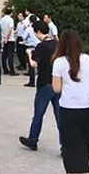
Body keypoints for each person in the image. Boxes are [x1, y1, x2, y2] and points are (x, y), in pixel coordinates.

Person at [52, 29, 89, 174]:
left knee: (71, 154)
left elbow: (56, 88)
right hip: (88, 108)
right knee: (84, 148)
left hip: (69, 109)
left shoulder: (59, 62)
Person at [19, 21, 60, 151]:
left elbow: (34, 64)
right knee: (60, 115)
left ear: (38, 32)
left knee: (39, 113)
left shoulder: (41, 46)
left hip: (44, 82)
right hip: (58, 82)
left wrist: (29, 54)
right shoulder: (57, 44)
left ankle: (33, 139)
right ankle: (66, 145)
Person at [0, 7, 18, 76]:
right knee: (10, 55)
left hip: (3, 38)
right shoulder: (10, 20)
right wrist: (7, 37)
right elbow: (10, 29)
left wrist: (4, 38)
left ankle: (5, 69)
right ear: (11, 13)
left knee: (4, 55)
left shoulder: (1, 20)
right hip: (10, 39)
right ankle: (11, 70)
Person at [24, 15, 40, 87]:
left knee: (31, 66)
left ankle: (32, 81)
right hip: (39, 47)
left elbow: (24, 37)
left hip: (31, 48)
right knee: (40, 64)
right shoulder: (39, 28)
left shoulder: (29, 29)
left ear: (30, 21)